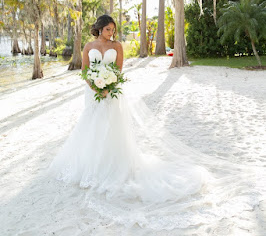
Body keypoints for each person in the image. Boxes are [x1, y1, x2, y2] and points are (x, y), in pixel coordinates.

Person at [47, 14, 263, 230]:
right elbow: (85, 70)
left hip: (112, 92)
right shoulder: (89, 46)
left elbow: (118, 71)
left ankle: (111, 165)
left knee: (110, 129)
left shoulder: (118, 46)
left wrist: (109, 86)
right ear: (99, 28)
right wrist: (95, 87)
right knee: (91, 127)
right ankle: (91, 165)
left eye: (113, 30)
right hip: (93, 93)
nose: (111, 33)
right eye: (108, 29)